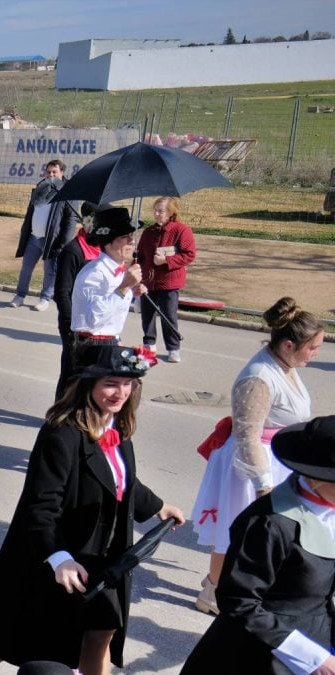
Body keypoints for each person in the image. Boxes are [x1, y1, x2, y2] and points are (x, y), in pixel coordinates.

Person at [0, 345, 185, 675]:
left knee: (100, 633)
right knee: (31, 634)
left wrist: (156, 506)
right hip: (62, 555)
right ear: (89, 385)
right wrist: (58, 558)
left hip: (107, 557)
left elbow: (123, 484)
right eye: (109, 383)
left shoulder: (118, 430)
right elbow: (39, 506)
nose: (118, 392)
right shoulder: (61, 434)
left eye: (126, 384)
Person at [148, 416, 335, 675]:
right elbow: (238, 601)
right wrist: (308, 654)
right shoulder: (269, 522)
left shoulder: (328, 509)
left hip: (316, 635)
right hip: (259, 648)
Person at [189, 298, 320, 615]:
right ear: (289, 345)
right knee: (234, 532)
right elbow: (247, 435)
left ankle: (241, 588)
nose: (316, 353)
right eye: (312, 347)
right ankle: (213, 590)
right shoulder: (259, 377)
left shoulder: (284, 364)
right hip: (250, 466)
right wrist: (263, 486)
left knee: (255, 535)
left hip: (276, 460)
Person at [69, 207, 146, 363]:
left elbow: (114, 307)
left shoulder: (118, 270)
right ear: (108, 243)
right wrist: (124, 287)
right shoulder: (94, 273)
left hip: (110, 341)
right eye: (125, 236)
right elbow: (94, 319)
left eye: (131, 235)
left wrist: (132, 291)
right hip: (93, 345)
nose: (132, 241)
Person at [137, 196, 197, 363]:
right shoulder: (148, 232)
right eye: (155, 210)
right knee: (147, 315)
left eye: (160, 211)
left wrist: (167, 261)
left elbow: (189, 254)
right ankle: (149, 345)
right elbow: (141, 255)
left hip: (169, 282)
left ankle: (173, 348)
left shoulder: (182, 230)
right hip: (149, 281)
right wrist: (138, 269)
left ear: (171, 213)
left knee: (168, 315)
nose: (156, 214)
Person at [13, 160, 79, 311]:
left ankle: (45, 298)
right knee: (26, 267)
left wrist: (63, 243)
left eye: (54, 172)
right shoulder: (41, 186)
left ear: (62, 173)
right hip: (34, 237)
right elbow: (32, 211)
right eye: (48, 172)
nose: (51, 175)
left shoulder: (68, 191)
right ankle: (20, 295)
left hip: (52, 240)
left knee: (50, 270)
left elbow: (71, 219)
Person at [51, 214, 99, 400]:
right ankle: (59, 415)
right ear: (88, 225)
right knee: (71, 373)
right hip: (73, 324)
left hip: (93, 322)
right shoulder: (73, 251)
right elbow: (62, 292)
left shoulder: (101, 251)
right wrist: (72, 324)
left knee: (88, 375)